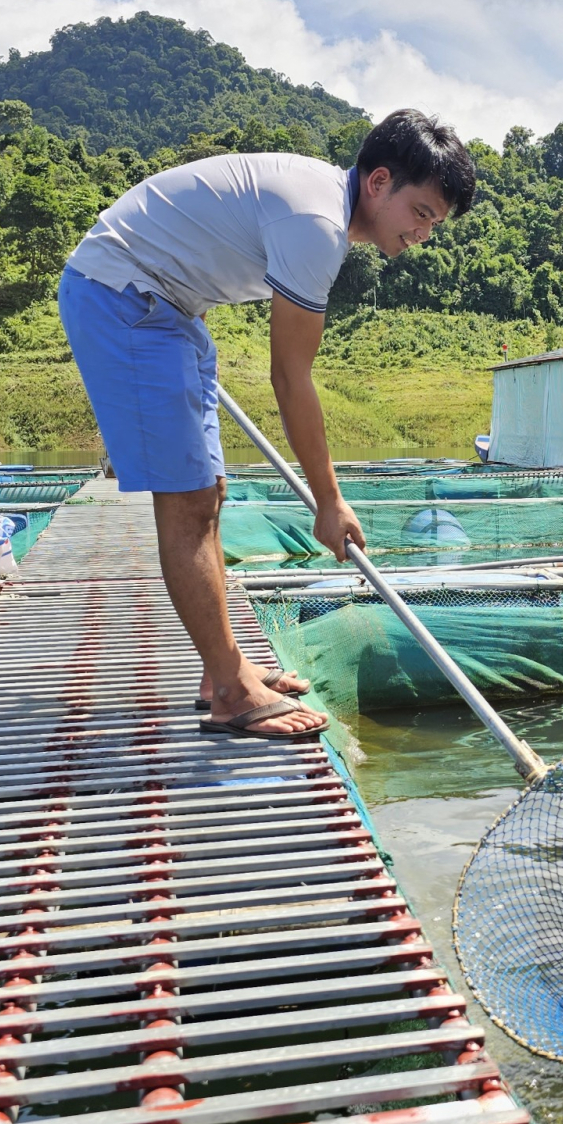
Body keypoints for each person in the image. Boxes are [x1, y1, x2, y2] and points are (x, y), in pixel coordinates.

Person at [58, 109, 477, 738]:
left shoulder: (321, 208)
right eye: (420, 213)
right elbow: (290, 376)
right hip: (127, 296)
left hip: (173, 310)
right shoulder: (316, 224)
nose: (423, 233)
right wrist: (329, 502)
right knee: (188, 498)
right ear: (379, 182)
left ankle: (220, 668)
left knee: (209, 494)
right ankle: (231, 690)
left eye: (435, 224)